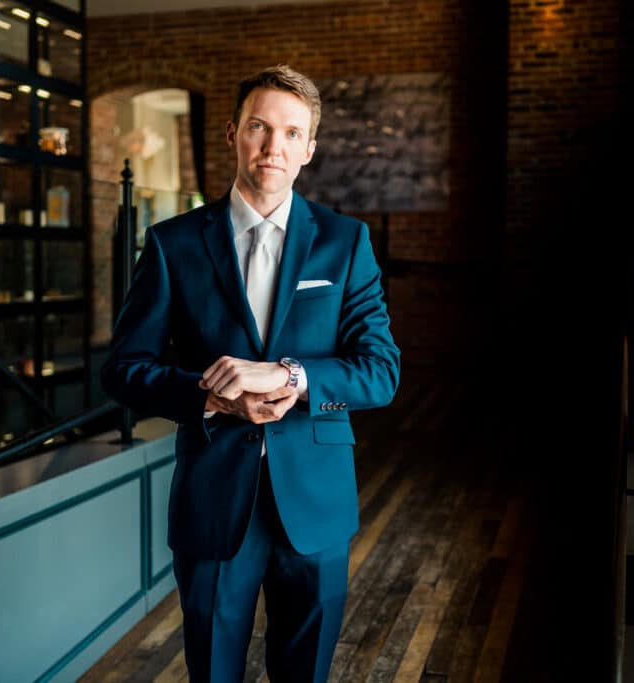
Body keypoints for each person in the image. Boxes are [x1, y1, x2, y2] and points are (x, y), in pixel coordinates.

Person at [101, 64, 400, 681]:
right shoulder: (172, 243)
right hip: (214, 500)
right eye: (260, 127)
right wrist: (214, 400)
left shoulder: (345, 243)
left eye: (292, 133)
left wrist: (287, 377)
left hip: (315, 503)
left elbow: (379, 371)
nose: (274, 147)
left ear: (309, 149)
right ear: (234, 132)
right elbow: (124, 370)